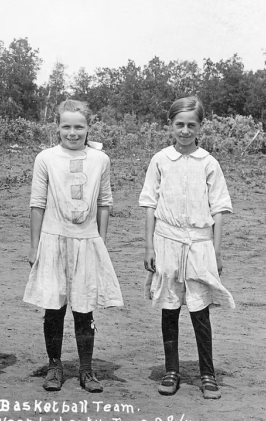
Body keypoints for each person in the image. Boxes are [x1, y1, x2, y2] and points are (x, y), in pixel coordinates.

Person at [23, 100, 123, 393]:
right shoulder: (46, 158)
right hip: (53, 240)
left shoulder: (100, 159)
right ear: (57, 127)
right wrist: (34, 246)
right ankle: (54, 366)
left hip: (86, 242)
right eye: (66, 126)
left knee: (84, 308)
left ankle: (86, 369)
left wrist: (100, 241)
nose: (72, 132)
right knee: (54, 307)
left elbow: (104, 202)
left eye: (79, 126)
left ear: (89, 127)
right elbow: (37, 204)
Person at [140, 96, 234, 400]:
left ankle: (207, 373)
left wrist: (216, 252)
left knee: (199, 309)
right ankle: (171, 371)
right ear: (170, 125)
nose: (184, 130)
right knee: (169, 307)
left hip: (199, 244)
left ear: (200, 126)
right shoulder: (160, 160)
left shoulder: (208, 162)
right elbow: (150, 205)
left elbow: (219, 210)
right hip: (166, 242)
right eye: (179, 124)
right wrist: (149, 247)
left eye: (191, 125)